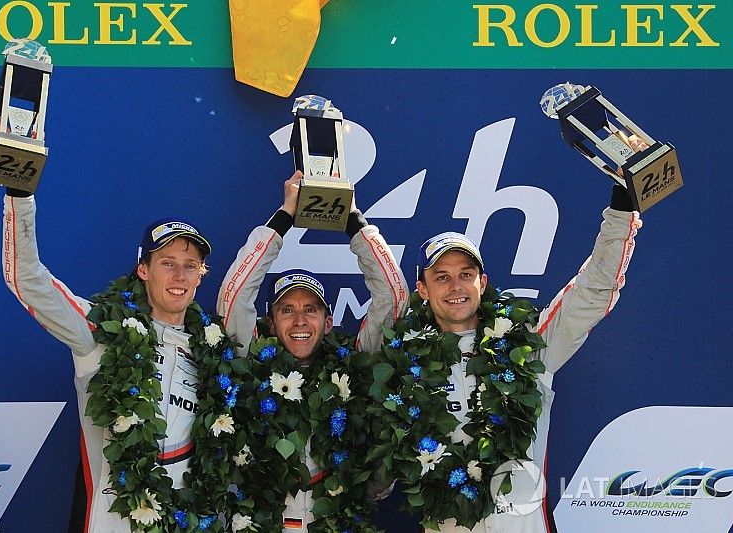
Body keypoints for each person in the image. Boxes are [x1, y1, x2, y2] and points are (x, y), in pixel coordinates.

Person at [0, 118, 214, 533]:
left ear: (202, 275)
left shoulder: (217, 355)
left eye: (190, 266)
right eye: (167, 264)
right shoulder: (101, 333)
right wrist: (18, 183)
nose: (179, 276)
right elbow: (27, 279)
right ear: (143, 270)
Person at [416, 183, 641, 533]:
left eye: (466, 275)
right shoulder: (404, 368)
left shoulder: (527, 349)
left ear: (483, 283)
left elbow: (592, 292)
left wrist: (622, 210)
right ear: (423, 290)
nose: (456, 287)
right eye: (441, 277)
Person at [216, 171, 409, 532]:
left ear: (329, 321)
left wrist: (354, 221)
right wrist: (284, 217)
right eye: (287, 310)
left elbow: (394, 297)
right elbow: (235, 295)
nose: (300, 321)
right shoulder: (249, 363)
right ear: (269, 323)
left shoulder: (354, 368)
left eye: (311, 310)